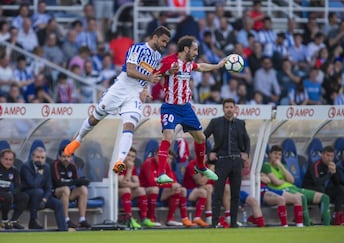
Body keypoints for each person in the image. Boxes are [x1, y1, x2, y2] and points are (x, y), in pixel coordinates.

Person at [64, 26, 171, 176]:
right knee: (96, 117)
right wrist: (148, 79)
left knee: (129, 126)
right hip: (120, 88)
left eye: (167, 42)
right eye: (163, 41)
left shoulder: (157, 57)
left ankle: (120, 161)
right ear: (155, 37)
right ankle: (78, 139)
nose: (164, 45)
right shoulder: (137, 48)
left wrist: (145, 89)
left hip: (135, 94)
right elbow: (130, 70)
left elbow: (149, 74)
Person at [154, 35, 226, 184]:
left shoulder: (188, 64)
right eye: (194, 50)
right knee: (168, 136)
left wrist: (217, 66)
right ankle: (161, 173)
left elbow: (201, 67)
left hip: (186, 108)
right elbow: (156, 73)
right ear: (185, 49)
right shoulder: (169, 61)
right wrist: (168, 73)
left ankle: (200, 166)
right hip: (170, 107)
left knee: (201, 138)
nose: (196, 53)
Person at [203, 98, 250, 228]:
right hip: (221, 161)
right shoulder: (215, 122)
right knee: (218, 193)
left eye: (231, 107)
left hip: (236, 161)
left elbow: (247, 140)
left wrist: (246, 153)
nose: (229, 109)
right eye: (227, 107)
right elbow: (202, 137)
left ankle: (233, 223)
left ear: (235, 109)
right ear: (223, 109)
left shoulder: (241, 123)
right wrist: (208, 153)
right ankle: (214, 222)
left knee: (235, 194)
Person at [262, 145, 330, 226]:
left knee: (325, 198)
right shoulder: (266, 166)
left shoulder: (283, 165)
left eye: (279, 154)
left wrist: (281, 166)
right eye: (275, 154)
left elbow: (291, 180)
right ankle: (307, 223)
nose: (277, 156)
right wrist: (283, 180)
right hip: (282, 190)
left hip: (293, 188)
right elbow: (276, 182)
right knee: (301, 197)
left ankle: (326, 224)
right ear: (270, 154)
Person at [139, 150, 195, 227]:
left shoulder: (166, 165)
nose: (165, 159)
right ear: (155, 155)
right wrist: (170, 184)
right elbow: (151, 182)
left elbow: (173, 181)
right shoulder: (148, 163)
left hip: (161, 192)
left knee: (181, 190)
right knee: (155, 189)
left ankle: (176, 218)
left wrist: (171, 185)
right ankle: (151, 218)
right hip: (147, 191)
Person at [20, 146, 67, 231]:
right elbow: (33, 184)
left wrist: (45, 199)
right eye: (37, 157)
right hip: (29, 198)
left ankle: (63, 229)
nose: (40, 160)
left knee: (58, 204)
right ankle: (33, 221)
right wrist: (39, 173)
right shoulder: (26, 167)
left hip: (42, 199)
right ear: (33, 157)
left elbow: (49, 186)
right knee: (38, 191)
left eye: (42, 158)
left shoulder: (47, 167)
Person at [118, 147, 159, 228]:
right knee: (126, 189)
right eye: (128, 155)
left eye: (133, 156)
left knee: (140, 190)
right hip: (114, 193)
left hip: (127, 191)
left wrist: (128, 183)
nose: (130, 158)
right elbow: (121, 183)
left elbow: (137, 183)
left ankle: (144, 218)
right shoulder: (119, 165)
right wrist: (129, 170)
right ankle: (129, 219)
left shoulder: (133, 167)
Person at [51, 146, 91, 229]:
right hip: (55, 193)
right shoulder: (55, 165)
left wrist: (81, 181)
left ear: (72, 157)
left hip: (69, 193)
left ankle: (82, 219)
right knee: (65, 189)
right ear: (59, 157)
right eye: (64, 156)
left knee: (83, 189)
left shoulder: (73, 166)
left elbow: (78, 182)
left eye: (68, 157)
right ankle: (66, 219)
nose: (66, 159)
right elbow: (58, 183)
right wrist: (75, 182)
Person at [302, 146, 344, 224]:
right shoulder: (315, 165)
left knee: (340, 189)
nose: (329, 158)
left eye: (331, 156)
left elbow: (337, 183)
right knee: (321, 190)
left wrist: (334, 173)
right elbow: (317, 182)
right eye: (327, 155)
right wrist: (329, 173)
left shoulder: (332, 165)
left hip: (322, 188)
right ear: (322, 155)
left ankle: (337, 216)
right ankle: (325, 217)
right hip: (309, 189)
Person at [0, 149, 29, 229]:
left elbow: (18, 185)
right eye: (6, 159)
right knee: (7, 196)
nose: (8, 162)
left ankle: (13, 221)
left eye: (10, 160)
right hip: (2, 194)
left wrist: (13, 192)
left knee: (24, 196)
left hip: (9, 193)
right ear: (1, 159)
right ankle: (4, 221)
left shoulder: (14, 171)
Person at [182, 159, 214, 227]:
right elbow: (200, 182)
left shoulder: (205, 166)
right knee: (204, 191)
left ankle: (206, 218)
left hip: (198, 191)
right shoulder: (192, 165)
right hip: (188, 192)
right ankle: (206, 217)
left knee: (209, 187)